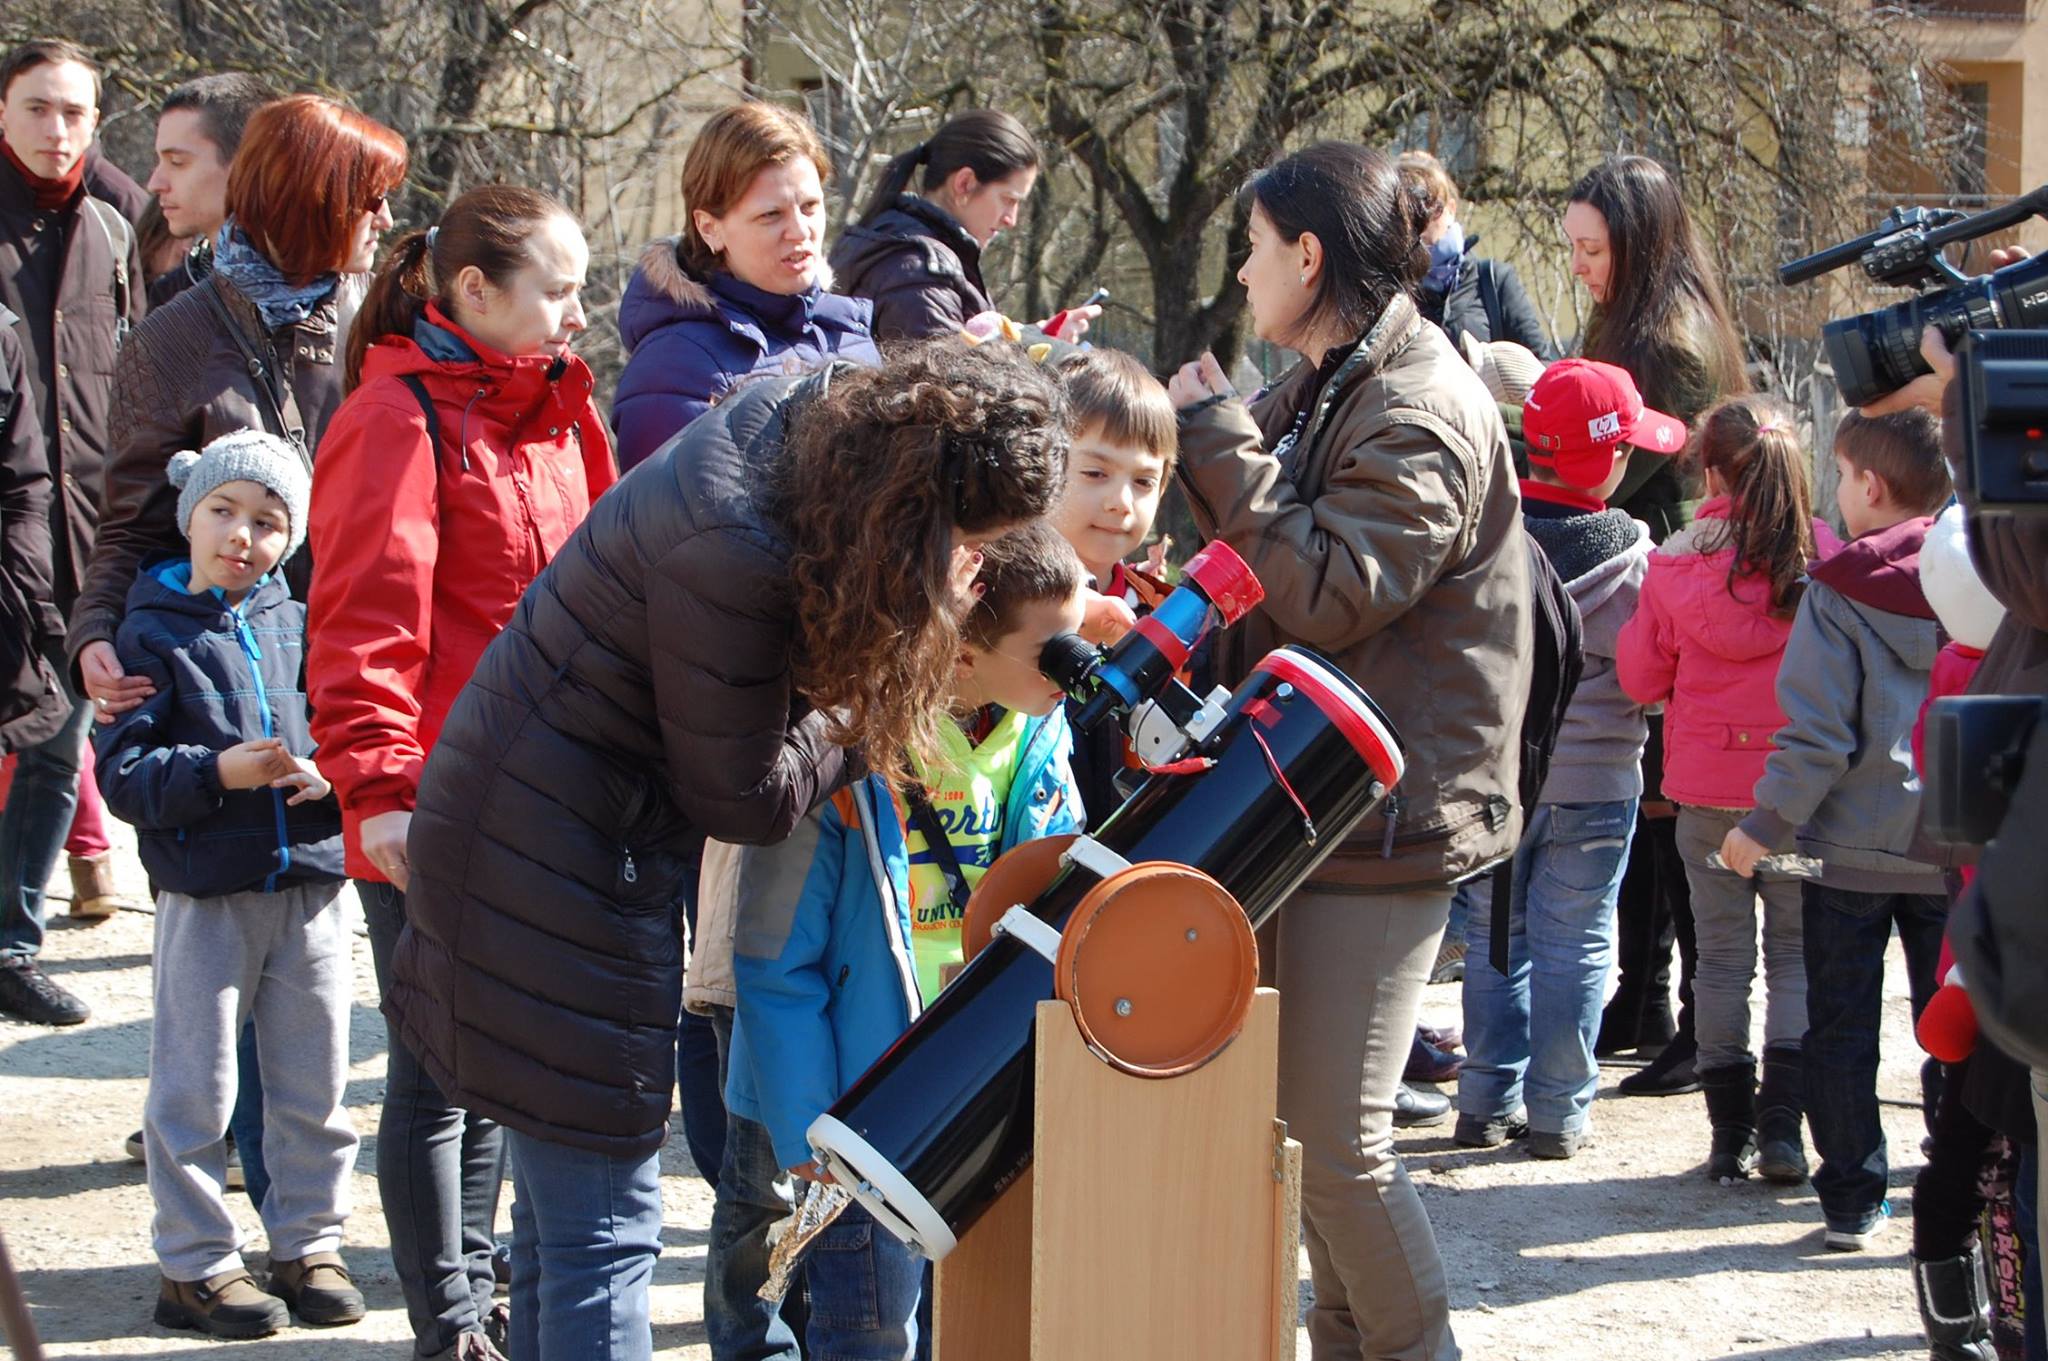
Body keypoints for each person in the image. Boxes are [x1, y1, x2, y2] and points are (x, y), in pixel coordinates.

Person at [379, 340, 1065, 1359]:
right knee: (602, 1234)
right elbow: (743, 796)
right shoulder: (737, 549)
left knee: (564, 1227)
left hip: (549, 830)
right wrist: (898, 673)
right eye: (971, 543)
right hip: (550, 863)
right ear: (916, 512)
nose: (972, 570)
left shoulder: (814, 433)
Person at [1164, 140, 1529, 1361]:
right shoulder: (1333, 378)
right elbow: (1260, 554)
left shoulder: (1420, 402)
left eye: (1252, 245)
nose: (1240, 267)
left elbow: (1330, 585)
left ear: (1306, 255)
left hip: (1385, 816)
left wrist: (1212, 432)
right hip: (1312, 799)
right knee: (1299, 1133)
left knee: (1334, 1134)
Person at [304, 183, 613, 1361]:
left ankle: (482, 1299)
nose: (578, 313)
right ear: (472, 292)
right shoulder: (396, 420)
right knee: (438, 1071)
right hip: (433, 802)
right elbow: (364, 621)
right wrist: (379, 790)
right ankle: (449, 1324)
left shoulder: (563, 412)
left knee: (498, 1071)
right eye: (558, 289)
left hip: (551, 798)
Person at [721, 521, 1087, 1360]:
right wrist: (812, 1126)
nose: (1076, 667)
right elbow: (778, 959)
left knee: (921, 1312)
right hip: (850, 1093)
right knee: (849, 1315)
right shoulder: (843, 752)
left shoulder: (1040, 736)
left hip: (952, 1073)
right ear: (961, 655)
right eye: (1053, 649)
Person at [93, 431, 360, 1340]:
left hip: (314, 886)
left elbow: (341, 720)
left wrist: (331, 775)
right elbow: (125, 776)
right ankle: (196, 1264)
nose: (242, 535)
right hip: (206, 891)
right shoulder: (149, 630)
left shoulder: (305, 616)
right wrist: (218, 774)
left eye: (268, 521)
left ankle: (308, 1244)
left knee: (312, 1082)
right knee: (194, 1087)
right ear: (189, 516)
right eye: (224, 511)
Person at [1720, 406, 1953, 1250]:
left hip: (1846, 852)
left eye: (1844, 475)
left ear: (1871, 486)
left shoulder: (1839, 589)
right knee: (1954, 1021)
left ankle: (1853, 1194)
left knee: (1842, 1026)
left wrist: (1764, 823)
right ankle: (1957, 1177)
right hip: (1953, 846)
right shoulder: (1991, 575)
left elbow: (1818, 735)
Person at [1616, 394, 1841, 1185]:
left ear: (1708, 469)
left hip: (1705, 800)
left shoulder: (1676, 563)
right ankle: (1783, 1126)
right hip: (1796, 804)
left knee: (1719, 963)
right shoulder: (1825, 560)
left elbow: (1641, 674)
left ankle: (1728, 1133)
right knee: (1792, 958)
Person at [1566, 155, 1749, 1096]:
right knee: (1648, 806)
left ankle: (1683, 1018)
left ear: (1635, 246)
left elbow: (1621, 476)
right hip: (1653, 573)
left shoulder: (1667, 338)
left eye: (1592, 250)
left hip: (1670, 580)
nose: (1580, 267)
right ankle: (1641, 1001)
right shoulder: (1637, 318)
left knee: (1674, 805)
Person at [1453, 358, 1668, 1160]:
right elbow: (1648, 678)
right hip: (1595, 783)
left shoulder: (1489, 538)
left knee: (1493, 937)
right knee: (1575, 940)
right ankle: (1557, 1112)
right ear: (1612, 460)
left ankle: (1482, 1098)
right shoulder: (1634, 560)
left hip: (1498, 777)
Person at [0, 39, 147, 1025]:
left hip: (84, 532)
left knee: (58, 744)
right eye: (39, 108)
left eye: (76, 114)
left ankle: (12, 942)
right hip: (6, 515)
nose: (58, 131)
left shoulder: (113, 224)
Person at [613, 101, 880, 470]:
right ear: (710, 227)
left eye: (810, 206)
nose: (800, 231)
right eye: (771, 215)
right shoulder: (674, 366)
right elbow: (677, 523)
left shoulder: (845, 330)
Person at [831, 110, 1094, 344]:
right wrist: (1043, 361)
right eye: (1008, 200)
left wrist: (1032, 339)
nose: (1011, 220)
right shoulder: (917, 274)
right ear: (964, 184)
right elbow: (950, 392)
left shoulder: (914, 255)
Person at [1396, 150, 1556, 359]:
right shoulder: (1389, 290)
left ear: (1451, 208)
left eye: (1431, 207)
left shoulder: (1494, 281)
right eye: (1408, 211)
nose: (1422, 221)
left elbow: (1540, 366)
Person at [142, 73, 279, 308]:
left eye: (177, 162)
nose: (155, 183)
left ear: (245, 165)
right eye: (159, 161)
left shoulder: (331, 292)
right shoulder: (172, 299)